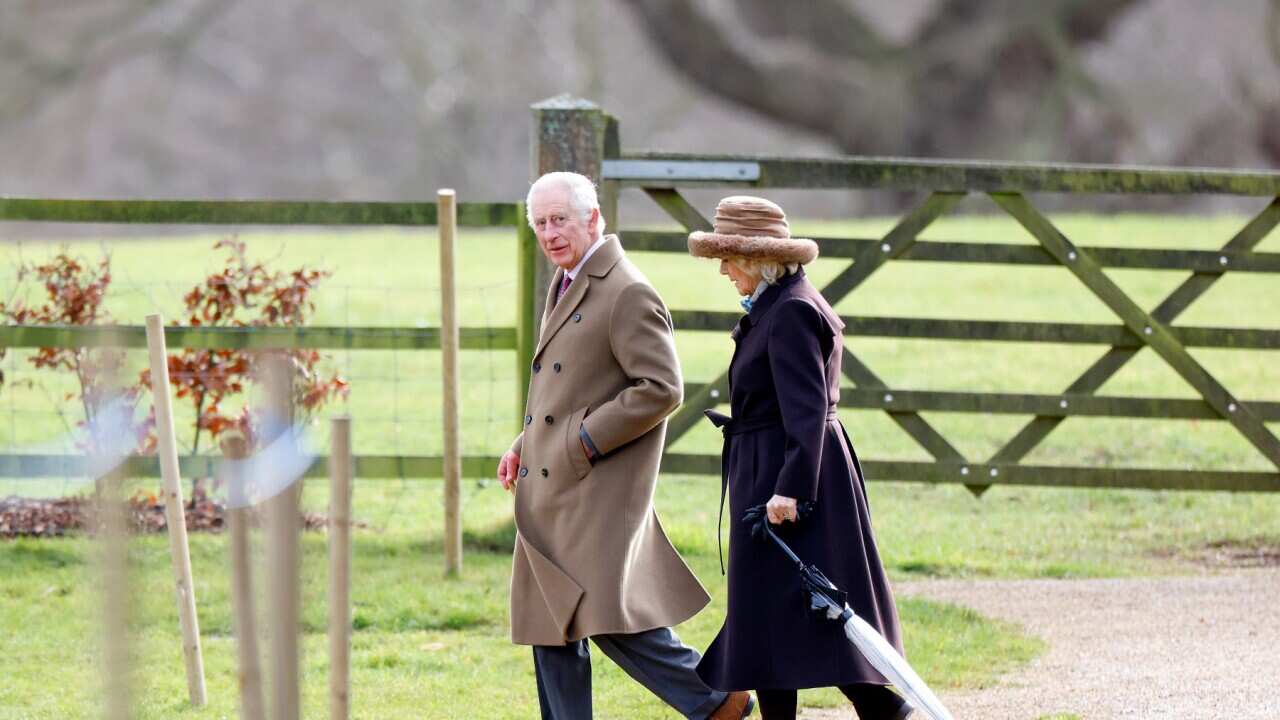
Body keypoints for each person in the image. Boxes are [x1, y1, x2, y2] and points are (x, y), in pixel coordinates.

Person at [497, 172, 754, 720]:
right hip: (555, 483)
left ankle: (717, 701)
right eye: (540, 223)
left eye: (559, 219)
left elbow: (661, 388)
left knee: (598, 613)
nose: (549, 233)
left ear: (593, 218)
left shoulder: (625, 290)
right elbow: (570, 386)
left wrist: (581, 442)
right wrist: (526, 444)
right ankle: (716, 702)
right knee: (551, 620)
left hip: (593, 488)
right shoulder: (568, 280)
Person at [686, 196, 913, 720]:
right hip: (773, 467)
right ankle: (882, 710)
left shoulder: (790, 311)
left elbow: (807, 410)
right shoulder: (780, 303)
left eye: (728, 259)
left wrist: (789, 490)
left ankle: (884, 709)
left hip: (787, 474)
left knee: (807, 603)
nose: (723, 271)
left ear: (757, 259)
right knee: (774, 610)